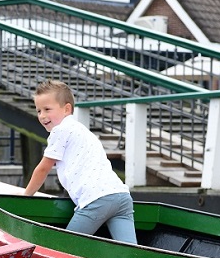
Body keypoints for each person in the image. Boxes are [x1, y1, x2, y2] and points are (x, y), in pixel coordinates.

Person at [23, 80, 137, 244]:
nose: (42, 116)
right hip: (121, 196)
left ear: (66, 109)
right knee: (131, 252)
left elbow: (43, 169)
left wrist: (25, 197)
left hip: (96, 199)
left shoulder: (60, 131)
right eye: (39, 110)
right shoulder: (82, 130)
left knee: (66, 248)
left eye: (47, 109)